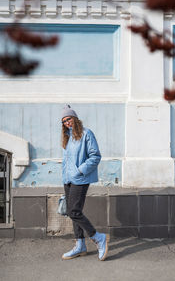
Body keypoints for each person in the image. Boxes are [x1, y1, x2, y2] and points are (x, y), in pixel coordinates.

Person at [61, 104, 109, 261]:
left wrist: (80, 170)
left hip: (80, 178)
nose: (67, 122)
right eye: (64, 121)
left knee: (74, 211)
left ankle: (98, 237)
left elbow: (95, 156)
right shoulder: (67, 137)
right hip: (68, 179)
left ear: (75, 118)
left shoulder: (87, 134)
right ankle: (80, 245)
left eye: (69, 119)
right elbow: (66, 160)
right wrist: (65, 176)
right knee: (73, 212)